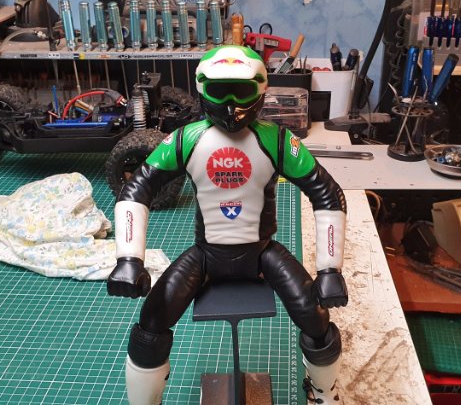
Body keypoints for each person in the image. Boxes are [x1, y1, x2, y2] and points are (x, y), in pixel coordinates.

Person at [107, 45, 348, 404]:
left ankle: (324, 393)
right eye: (221, 91)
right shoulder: (187, 140)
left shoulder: (277, 140)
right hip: (208, 256)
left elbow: (327, 194)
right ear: (203, 89)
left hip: (261, 254)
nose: (232, 104)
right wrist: (128, 259)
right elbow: (136, 190)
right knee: (150, 326)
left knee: (317, 321)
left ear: (260, 90)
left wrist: (330, 269)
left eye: (242, 90)